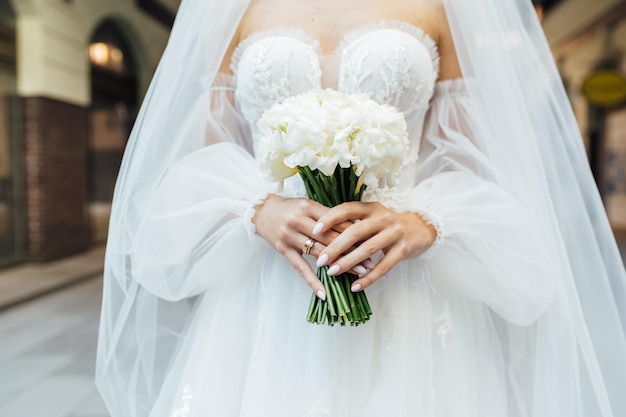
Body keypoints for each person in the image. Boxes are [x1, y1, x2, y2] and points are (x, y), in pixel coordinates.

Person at [95, 0, 626, 416]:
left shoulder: (440, 5)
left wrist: (423, 223)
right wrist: (257, 209)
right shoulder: (232, 8)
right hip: (273, 279)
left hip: (405, 278)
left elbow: (472, 157)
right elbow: (206, 152)